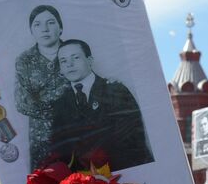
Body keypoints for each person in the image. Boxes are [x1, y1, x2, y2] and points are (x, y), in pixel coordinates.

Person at [46, 39, 153, 172]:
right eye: (63, 61)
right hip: (84, 182)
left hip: (125, 173)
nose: (70, 64)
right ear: (61, 69)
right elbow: (59, 149)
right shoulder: (59, 104)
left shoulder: (115, 90)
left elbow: (132, 139)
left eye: (76, 57)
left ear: (90, 60)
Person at [14, 3, 67, 170]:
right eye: (37, 24)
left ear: (60, 27)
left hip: (78, 135)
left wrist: (40, 97)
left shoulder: (73, 52)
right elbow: (22, 103)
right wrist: (63, 107)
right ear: (32, 31)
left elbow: (84, 90)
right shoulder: (25, 60)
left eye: (50, 23)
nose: (44, 29)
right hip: (42, 141)